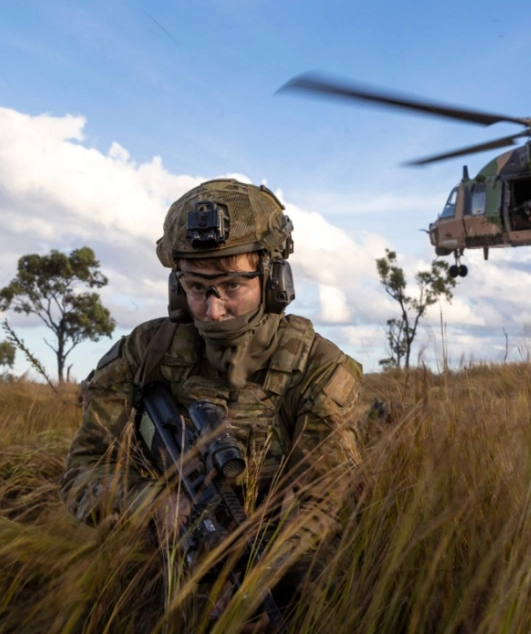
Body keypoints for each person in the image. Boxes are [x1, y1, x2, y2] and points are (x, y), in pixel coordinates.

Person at [58, 178, 364, 622]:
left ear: (274, 280)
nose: (212, 309)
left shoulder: (318, 368)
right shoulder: (146, 354)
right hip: (156, 573)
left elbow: (331, 504)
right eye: (196, 287)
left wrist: (255, 581)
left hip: (283, 578)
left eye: (231, 286)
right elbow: (82, 472)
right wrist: (154, 506)